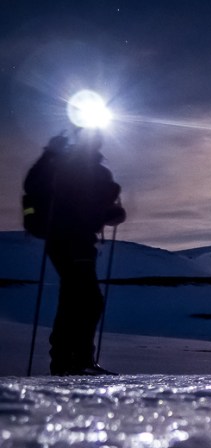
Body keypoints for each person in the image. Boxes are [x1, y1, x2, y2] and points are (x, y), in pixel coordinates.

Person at [44, 128, 126, 375]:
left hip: (73, 239)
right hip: (72, 238)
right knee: (86, 299)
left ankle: (70, 360)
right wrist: (109, 210)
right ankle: (75, 360)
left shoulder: (70, 165)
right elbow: (81, 204)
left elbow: (90, 206)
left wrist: (111, 213)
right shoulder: (71, 167)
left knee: (75, 297)